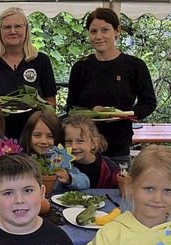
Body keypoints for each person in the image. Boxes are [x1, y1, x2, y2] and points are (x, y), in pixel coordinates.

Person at [66, 7, 156, 165]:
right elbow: (71, 107)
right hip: (84, 150)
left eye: (105, 30)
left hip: (119, 147)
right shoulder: (81, 67)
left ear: (117, 30)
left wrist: (126, 114)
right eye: (93, 31)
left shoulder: (134, 66)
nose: (98, 36)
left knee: (117, 188)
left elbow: (148, 103)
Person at [0, 7, 57, 140]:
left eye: (18, 26)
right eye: (7, 27)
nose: (13, 31)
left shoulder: (40, 61)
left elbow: (51, 102)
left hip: (33, 140)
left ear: (26, 30)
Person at [19, 110, 90, 191]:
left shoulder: (60, 158)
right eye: (37, 135)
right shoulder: (21, 159)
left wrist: (69, 178)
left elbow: (85, 182)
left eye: (50, 136)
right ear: (28, 136)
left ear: (58, 137)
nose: (43, 141)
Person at [64, 114, 119, 189]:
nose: (73, 146)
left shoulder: (110, 169)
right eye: (68, 141)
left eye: (80, 141)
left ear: (93, 143)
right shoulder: (61, 164)